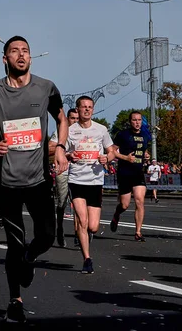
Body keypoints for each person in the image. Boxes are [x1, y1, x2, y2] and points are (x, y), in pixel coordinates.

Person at [0, 35, 68, 323]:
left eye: (25, 51)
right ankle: (15, 300)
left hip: (39, 178)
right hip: (7, 181)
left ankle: (30, 257)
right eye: (14, 51)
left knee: (47, 237)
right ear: (5, 59)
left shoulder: (46, 88)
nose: (21, 55)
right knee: (14, 243)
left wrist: (61, 148)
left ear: (31, 57)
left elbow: (62, 119)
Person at [65, 96, 115, 273]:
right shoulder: (70, 130)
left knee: (93, 226)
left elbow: (111, 151)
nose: (87, 110)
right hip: (76, 180)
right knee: (83, 220)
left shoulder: (101, 129)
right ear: (77, 110)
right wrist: (69, 156)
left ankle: (85, 235)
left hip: (95, 181)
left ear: (93, 110)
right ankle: (87, 258)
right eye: (83, 107)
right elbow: (60, 151)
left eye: (90, 107)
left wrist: (106, 158)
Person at [110, 111, 151, 242]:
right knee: (124, 205)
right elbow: (112, 151)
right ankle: (117, 214)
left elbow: (143, 148)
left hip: (138, 172)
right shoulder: (123, 135)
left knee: (140, 200)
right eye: (134, 120)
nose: (137, 122)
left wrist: (146, 155)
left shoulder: (145, 135)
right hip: (124, 172)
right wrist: (125, 157)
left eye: (139, 120)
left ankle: (138, 232)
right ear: (130, 121)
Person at [48, 108, 79, 247]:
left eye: (77, 119)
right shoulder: (61, 132)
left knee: (78, 203)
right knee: (62, 203)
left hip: (80, 172)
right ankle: (59, 228)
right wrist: (64, 153)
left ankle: (79, 233)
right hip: (63, 170)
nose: (75, 121)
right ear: (67, 119)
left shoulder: (85, 133)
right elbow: (49, 149)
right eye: (72, 118)